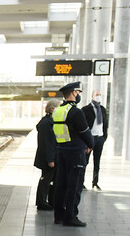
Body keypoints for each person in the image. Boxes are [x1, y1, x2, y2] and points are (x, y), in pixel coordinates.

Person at [51, 81, 93, 227]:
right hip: (75, 153)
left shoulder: (57, 111)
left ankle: (59, 216)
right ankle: (70, 216)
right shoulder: (76, 112)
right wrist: (91, 144)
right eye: (78, 92)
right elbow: (85, 132)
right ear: (74, 93)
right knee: (74, 186)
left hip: (61, 151)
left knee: (60, 184)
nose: (79, 95)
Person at [33, 98, 60, 210]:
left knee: (51, 180)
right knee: (45, 180)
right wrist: (50, 160)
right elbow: (46, 143)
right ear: (52, 109)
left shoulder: (50, 122)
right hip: (48, 159)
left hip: (52, 157)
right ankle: (41, 202)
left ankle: (51, 200)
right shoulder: (46, 124)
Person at [81, 89, 108, 190]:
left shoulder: (102, 109)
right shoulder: (86, 109)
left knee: (97, 162)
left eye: (100, 95)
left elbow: (105, 125)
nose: (99, 96)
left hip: (99, 138)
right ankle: (81, 182)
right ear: (92, 96)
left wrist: (104, 137)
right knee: (85, 161)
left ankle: (95, 182)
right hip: (89, 138)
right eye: (97, 95)